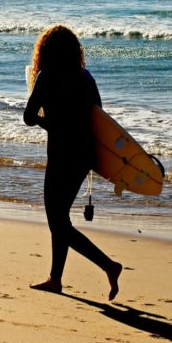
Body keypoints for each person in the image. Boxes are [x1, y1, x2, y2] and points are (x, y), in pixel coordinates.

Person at [24, 25, 122, 300]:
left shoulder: (46, 76)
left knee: (57, 221)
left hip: (60, 155)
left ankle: (108, 265)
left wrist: (51, 124)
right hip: (83, 157)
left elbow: (28, 117)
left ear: (45, 50)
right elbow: (100, 119)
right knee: (60, 217)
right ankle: (55, 278)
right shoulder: (85, 78)